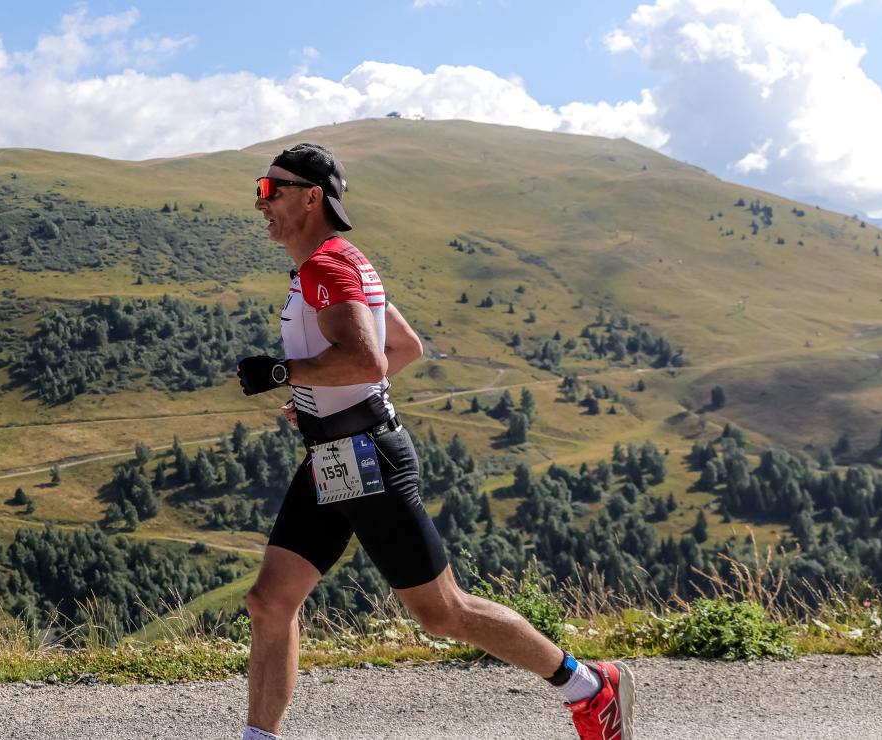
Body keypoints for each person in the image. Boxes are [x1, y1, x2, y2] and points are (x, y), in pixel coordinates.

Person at [233, 143, 635, 740]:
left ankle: (591, 687)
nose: (259, 202)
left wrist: (285, 373)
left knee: (442, 612)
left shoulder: (328, 268)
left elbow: (367, 359)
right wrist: (319, 399)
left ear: (311, 197)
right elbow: (405, 349)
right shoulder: (335, 262)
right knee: (270, 603)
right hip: (334, 455)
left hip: (365, 458)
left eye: (271, 190)